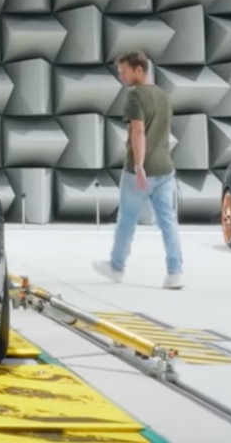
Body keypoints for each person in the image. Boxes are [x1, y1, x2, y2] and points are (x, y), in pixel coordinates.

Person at [93, 52, 183, 289]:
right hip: (165, 169)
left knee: (127, 221)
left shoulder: (135, 96)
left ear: (139, 70)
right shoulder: (163, 96)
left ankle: (116, 266)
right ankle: (175, 272)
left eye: (124, 71)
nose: (121, 76)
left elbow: (138, 132)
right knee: (168, 222)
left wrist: (139, 165)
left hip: (139, 172)